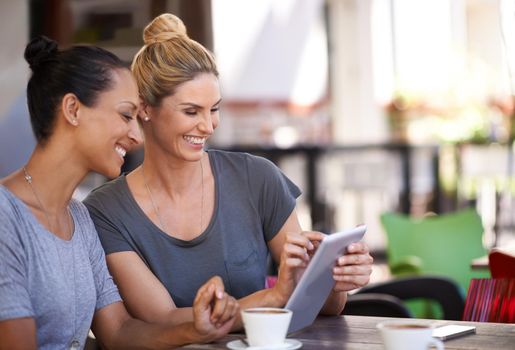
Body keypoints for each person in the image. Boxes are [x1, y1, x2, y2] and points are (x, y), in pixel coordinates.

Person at [84, 13, 373, 328]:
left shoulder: (257, 178)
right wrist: (272, 298)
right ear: (144, 109)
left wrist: (333, 277)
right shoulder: (106, 212)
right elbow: (162, 320)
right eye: (191, 111)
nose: (208, 126)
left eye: (214, 109)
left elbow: (323, 306)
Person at [0, 35, 238, 350]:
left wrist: (197, 330)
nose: (136, 136)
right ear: (73, 109)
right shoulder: (6, 217)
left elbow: (119, 331)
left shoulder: (79, 218)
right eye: (126, 116)